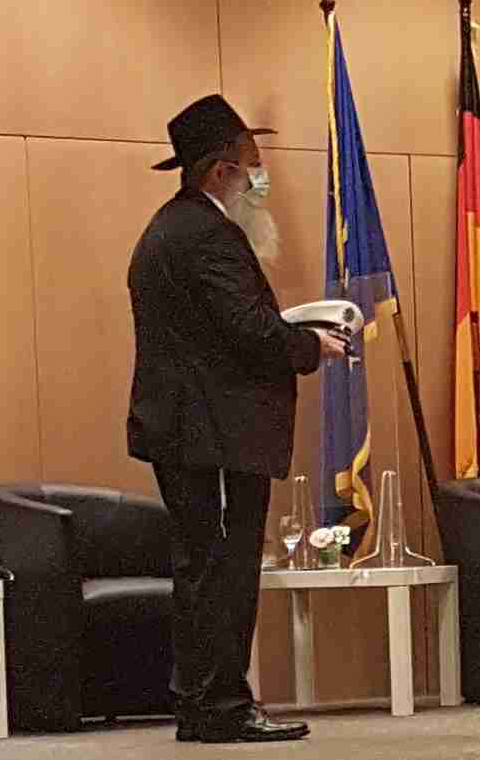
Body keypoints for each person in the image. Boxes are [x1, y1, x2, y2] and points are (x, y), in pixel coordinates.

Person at [127, 94, 346, 743]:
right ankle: (222, 704)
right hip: (214, 435)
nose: (259, 176)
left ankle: (201, 704)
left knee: (203, 568)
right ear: (221, 171)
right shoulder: (207, 235)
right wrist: (311, 346)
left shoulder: (172, 228)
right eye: (252, 164)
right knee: (223, 570)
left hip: (193, 431)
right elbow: (248, 330)